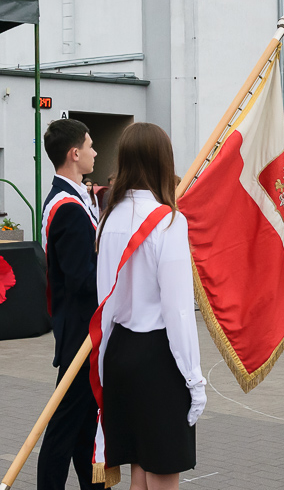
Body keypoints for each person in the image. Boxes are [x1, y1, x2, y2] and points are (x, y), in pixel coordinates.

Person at [91, 122, 205, 490]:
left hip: (120, 351)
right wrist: (194, 377)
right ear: (162, 162)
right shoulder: (169, 221)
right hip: (158, 356)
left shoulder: (108, 218)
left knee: (140, 465)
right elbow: (178, 311)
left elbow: (103, 302)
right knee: (162, 471)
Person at [38, 119, 106, 490]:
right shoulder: (67, 207)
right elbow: (83, 279)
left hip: (82, 329)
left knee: (83, 424)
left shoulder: (76, 198)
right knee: (65, 423)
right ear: (74, 153)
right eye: (90, 146)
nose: (95, 152)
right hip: (81, 332)